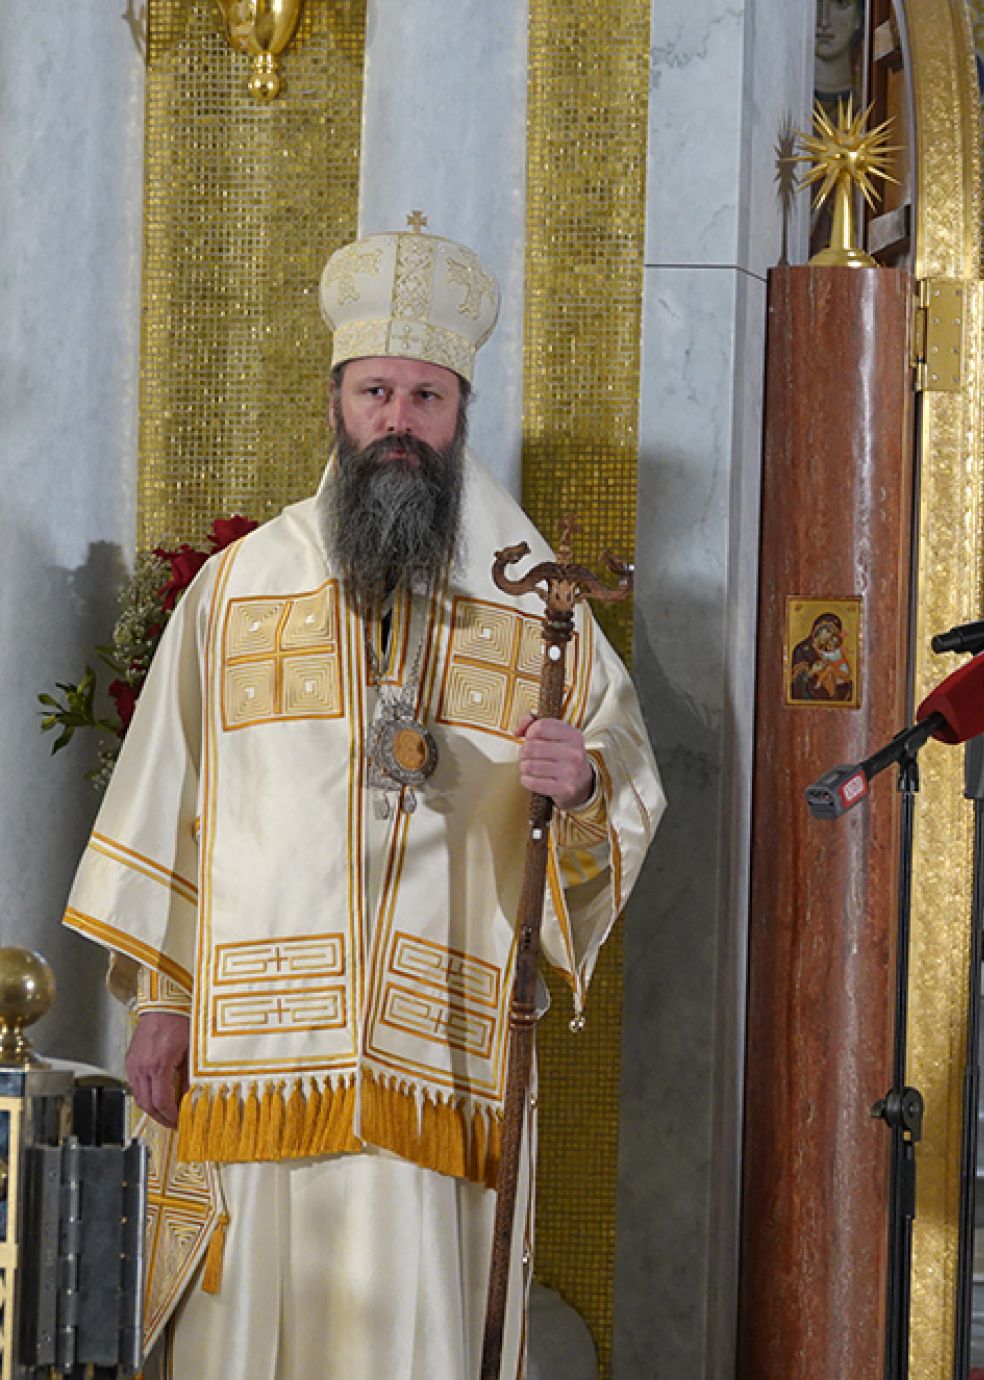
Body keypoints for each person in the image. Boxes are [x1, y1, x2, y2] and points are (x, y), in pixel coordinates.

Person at [62, 222, 665, 1377]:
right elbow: (171, 799)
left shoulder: (537, 605)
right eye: (376, 390)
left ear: (460, 415)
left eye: (426, 397)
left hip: (438, 1048)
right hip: (251, 1049)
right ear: (337, 403)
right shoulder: (240, 592)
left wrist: (581, 782)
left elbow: (619, 774)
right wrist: (163, 997)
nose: (399, 420)